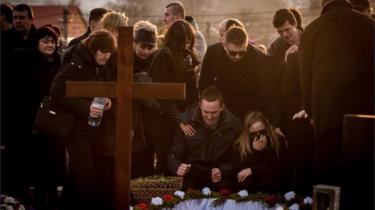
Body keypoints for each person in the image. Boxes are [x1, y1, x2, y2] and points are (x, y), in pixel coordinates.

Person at [298, 0, 374, 187]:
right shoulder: (369, 25)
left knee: (328, 173)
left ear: (324, 5)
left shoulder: (313, 30)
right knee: (362, 174)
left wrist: (310, 109)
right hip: (366, 113)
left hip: (328, 114)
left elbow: (305, 77)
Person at [49, 30, 117, 210]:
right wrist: (88, 107)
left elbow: (100, 89)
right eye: (103, 51)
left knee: (75, 176)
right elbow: (56, 93)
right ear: (94, 48)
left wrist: (107, 99)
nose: (107, 56)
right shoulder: (76, 62)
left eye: (109, 52)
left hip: (92, 129)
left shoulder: (100, 64)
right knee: (86, 176)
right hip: (75, 130)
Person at [199, 26, 281, 129]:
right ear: (224, 45)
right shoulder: (212, 53)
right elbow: (204, 85)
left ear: (247, 45)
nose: (237, 56)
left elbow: (269, 93)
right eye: (233, 53)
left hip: (250, 108)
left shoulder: (259, 59)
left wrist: (275, 124)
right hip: (223, 110)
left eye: (242, 52)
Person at [149, 19, 200, 174]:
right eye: (184, 40)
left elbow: (190, 90)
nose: (188, 44)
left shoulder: (188, 55)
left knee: (182, 159)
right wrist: (179, 119)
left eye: (190, 40)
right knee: (165, 159)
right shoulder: (164, 56)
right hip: (165, 118)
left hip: (185, 115)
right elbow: (162, 94)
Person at [272, 8, 314, 195]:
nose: (285, 35)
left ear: (295, 23)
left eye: (287, 29)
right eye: (280, 32)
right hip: (289, 109)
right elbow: (273, 79)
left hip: (311, 105)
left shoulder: (311, 40)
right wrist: (286, 61)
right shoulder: (277, 47)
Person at [168, 86, 241, 191]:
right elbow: (174, 154)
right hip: (192, 173)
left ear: (222, 107)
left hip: (219, 173)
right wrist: (177, 167)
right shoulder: (186, 122)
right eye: (206, 112)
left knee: (228, 192)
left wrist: (223, 170)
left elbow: (237, 159)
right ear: (199, 106)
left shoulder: (234, 125)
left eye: (214, 112)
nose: (209, 117)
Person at [233, 111, 290, 193]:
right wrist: (256, 152)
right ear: (247, 131)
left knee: (266, 181)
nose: (259, 136)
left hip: (272, 180)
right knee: (248, 182)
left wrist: (253, 169)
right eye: (254, 133)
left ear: (267, 127)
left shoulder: (277, 139)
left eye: (262, 131)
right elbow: (238, 165)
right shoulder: (240, 141)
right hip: (250, 180)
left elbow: (277, 167)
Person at [131, 20, 159, 178]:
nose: (146, 51)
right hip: (133, 115)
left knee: (147, 154)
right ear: (135, 43)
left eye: (150, 47)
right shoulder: (127, 60)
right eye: (142, 46)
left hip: (151, 117)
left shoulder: (157, 60)